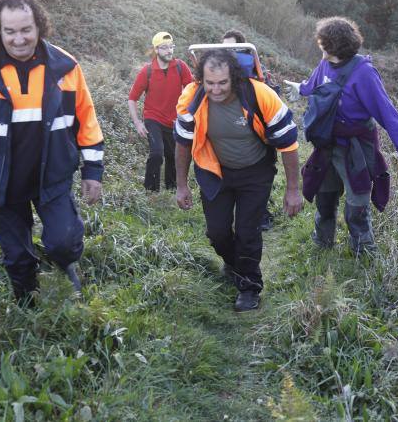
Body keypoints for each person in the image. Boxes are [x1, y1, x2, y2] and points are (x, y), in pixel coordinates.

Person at [0, 0, 104, 305]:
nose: (18, 39)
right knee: (17, 257)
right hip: (1, 181)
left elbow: (87, 119)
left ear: (39, 26)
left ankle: (66, 263)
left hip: (51, 176)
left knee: (64, 242)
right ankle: (28, 307)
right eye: (9, 31)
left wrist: (92, 171)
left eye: (26, 29)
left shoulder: (65, 67)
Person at [175, 49, 303, 312]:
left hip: (255, 172)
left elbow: (289, 144)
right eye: (210, 83)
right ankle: (236, 264)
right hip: (215, 171)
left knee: (247, 231)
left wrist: (293, 190)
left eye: (222, 83)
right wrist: (181, 185)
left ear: (234, 77)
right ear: (201, 79)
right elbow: (183, 143)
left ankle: (249, 286)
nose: (216, 89)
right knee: (217, 232)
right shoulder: (192, 97)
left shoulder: (259, 94)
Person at [284, 16, 398, 255]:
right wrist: (302, 89)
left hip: (356, 146)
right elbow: (316, 83)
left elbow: (387, 113)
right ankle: (322, 242)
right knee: (324, 196)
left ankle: (364, 249)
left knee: (357, 203)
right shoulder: (325, 63)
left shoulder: (364, 74)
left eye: (322, 42)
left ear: (332, 46)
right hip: (327, 144)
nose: (320, 46)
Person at [221, 29, 275, 231]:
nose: (227, 53)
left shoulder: (255, 75)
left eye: (231, 48)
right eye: (223, 48)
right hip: (233, 136)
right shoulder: (219, 75)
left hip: (258, 133)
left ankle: (262, 215)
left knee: (261, 174)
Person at [128, 32, 194, 191]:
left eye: (171, 47)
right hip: (153, 118)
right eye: (164, 48)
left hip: (174, 120)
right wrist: (137, 123)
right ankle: (151, 191)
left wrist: (189, 116)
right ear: (156, 50)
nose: (169, 51)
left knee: (173, 157)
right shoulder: (147, 71)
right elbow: (132, 99)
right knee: (157, 153)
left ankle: (171, 190)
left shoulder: (180, 67)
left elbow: (192, 91)